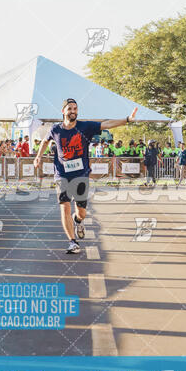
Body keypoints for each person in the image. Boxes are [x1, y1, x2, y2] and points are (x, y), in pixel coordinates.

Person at [33, 98, 138, 254]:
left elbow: (107, 124)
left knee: (81, 212)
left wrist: (127, 119)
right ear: (63, 111)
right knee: (64, 206)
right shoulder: (55, 129)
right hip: (61, 174)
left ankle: (78, 221)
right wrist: (38, 156)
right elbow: (44, 141)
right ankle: (72, 242)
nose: (73, 111)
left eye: (75, 108)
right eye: (70, 108)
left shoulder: (85, 126)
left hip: (81, 175)